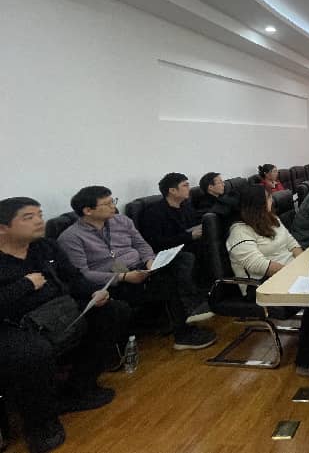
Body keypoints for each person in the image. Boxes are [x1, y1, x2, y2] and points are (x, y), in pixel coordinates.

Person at [1, 197, 128, 453]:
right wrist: (24, 285)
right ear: (3, 228)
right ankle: (40, 423)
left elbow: (73, 278)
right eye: (28, 217)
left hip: (56, 311)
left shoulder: (45, 247)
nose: (39, 221)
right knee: (32, 352)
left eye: (40, 214)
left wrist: (93, 293)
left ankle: (78, 389)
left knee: (113, 311)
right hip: (12, 325)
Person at [58, 186, 216, 350]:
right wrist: (123, 277)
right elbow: (82, 274)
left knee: (182, 260)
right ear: (88, 210)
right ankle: (183, 334)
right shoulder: (71, 237)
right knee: (167, 282)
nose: (113, 206)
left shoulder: (121, 221)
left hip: (141, 267)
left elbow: (141, 244)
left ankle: (189, 311)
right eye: (107, 203)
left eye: (113, 201)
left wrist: (149, 261)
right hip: (112, 281)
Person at [225, 186, 309, 375]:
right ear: (256, 204)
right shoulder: (240, 232)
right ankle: (306, 361)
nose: (271, 201)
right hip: (262, 286)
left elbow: (292, 244)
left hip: (289, 274)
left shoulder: (272, 220)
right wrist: (295, 272)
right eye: (268, 198)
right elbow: (260, 265)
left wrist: (305, 265)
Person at [139, 173, 202, 251]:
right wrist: (190, 236)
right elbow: (156, 243)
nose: (189, 189)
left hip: (189, 245)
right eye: (185, 186)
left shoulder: (186, 206)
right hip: (171, 251)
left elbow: (193, 225)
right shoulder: (153, 213)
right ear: (172, 190)